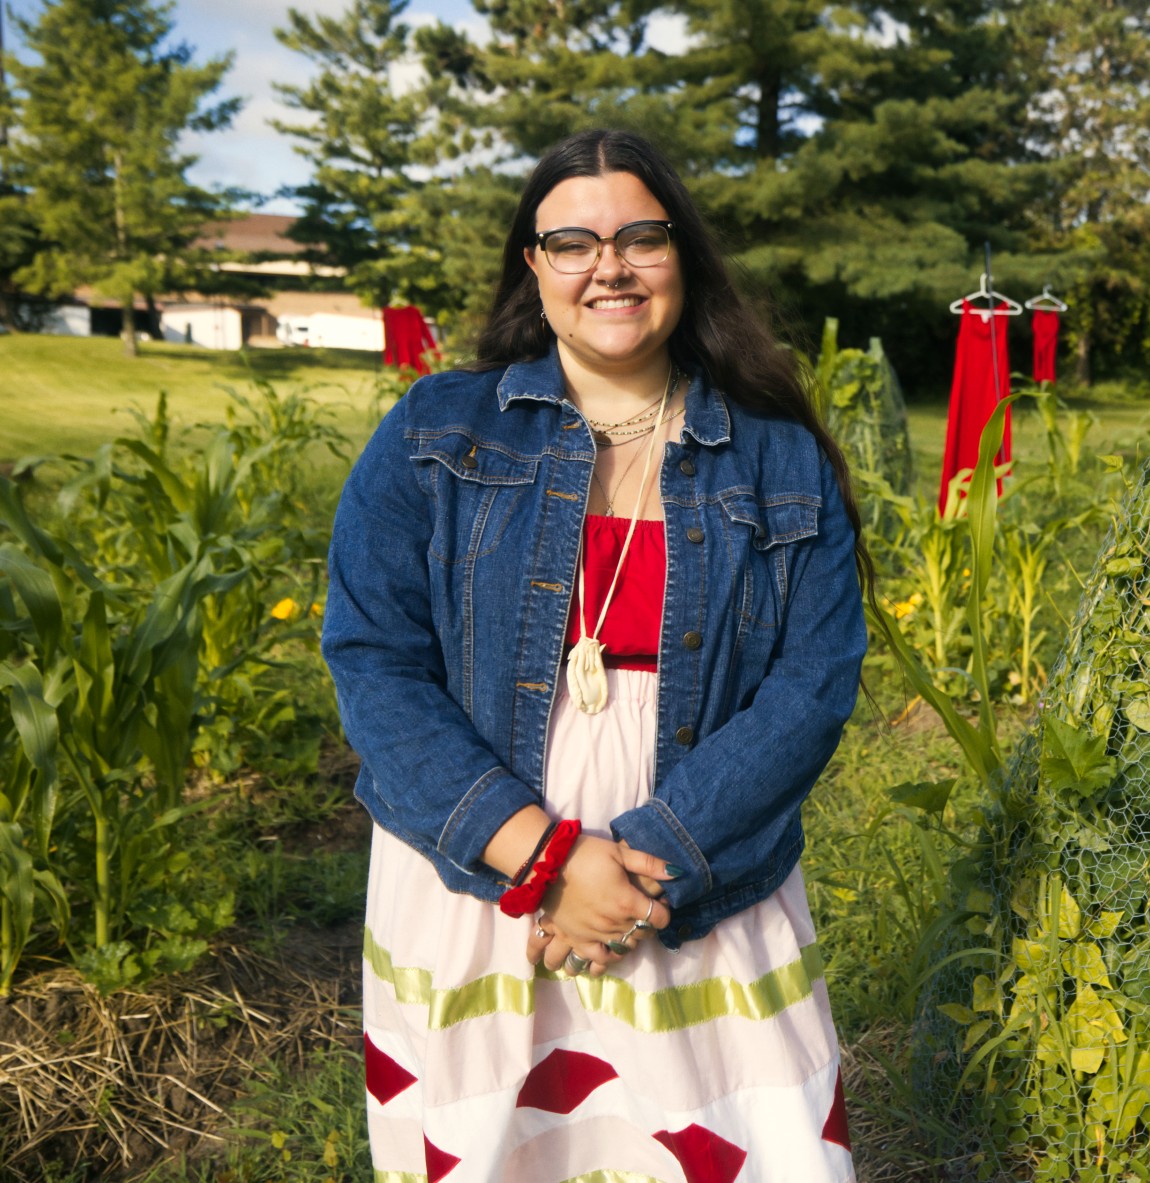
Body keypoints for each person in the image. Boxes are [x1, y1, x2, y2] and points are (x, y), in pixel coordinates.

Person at [322, 128, 867, 1183]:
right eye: (569, 240)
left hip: (696, 880)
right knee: (500, 1149)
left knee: (733, 1148)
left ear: (683, 256)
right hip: (477, 875)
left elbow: (810, 687)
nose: (606, 266)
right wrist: (542, 858)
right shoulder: (435, 431)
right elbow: (373, 659)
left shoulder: (775, 455)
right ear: (533, 264)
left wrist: (644, 861)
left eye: (638, 238)